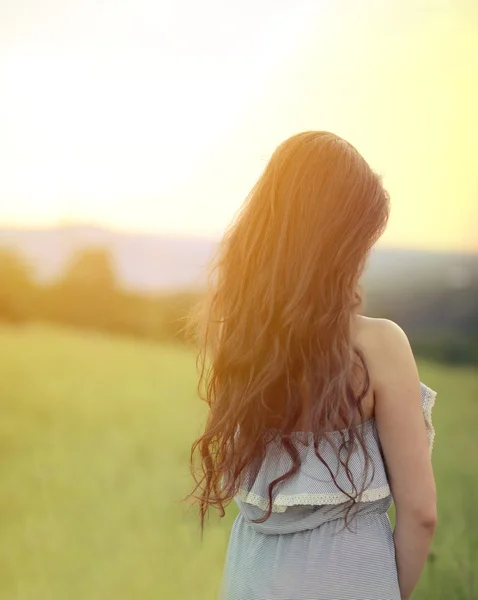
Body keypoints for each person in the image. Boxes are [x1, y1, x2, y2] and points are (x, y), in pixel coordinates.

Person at [186, 131, 437, 600]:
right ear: (343, 244)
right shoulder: (380, 345)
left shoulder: (237, 339)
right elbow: (421, 513)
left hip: (251, 578)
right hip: (352, 579)